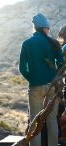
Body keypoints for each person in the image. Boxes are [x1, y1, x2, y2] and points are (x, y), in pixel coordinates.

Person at [19, 13, 64, 146]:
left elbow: (22, 68)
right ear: (45, 28)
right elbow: (61, 65)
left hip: (35, 87)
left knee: (34, 121)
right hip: (52, 86)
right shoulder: (54, 43)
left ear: (35, 28)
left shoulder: (27, 43)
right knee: (52, 122)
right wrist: (54, 76)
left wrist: (32, 79)